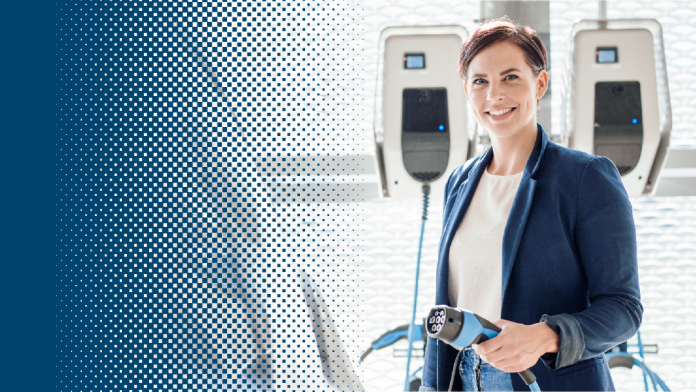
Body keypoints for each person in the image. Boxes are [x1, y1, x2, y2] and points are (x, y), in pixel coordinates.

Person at [419, 18, 642, 391]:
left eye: (510, 77)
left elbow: (623, 309)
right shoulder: (459, 184)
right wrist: (429, 385)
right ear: (466, 91)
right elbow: (449, 300)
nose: (494, 95)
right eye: (480, 81)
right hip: (462, 376)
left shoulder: (585, 178)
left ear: (539, 84)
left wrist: (545, 336)